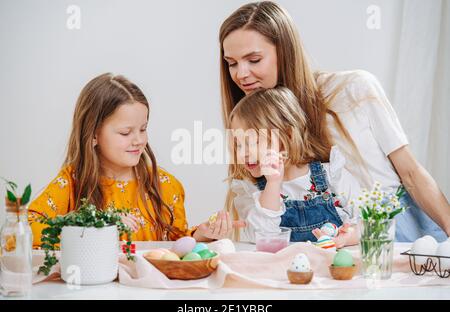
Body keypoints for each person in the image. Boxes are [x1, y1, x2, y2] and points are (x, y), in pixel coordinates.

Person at [219, 1, 449, 242]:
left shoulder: (353, 90)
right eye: (232, 63)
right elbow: (260, 223)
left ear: (285, 52)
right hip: (336, 254)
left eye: (254, 59)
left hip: (399, 233)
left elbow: (411, 173)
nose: (241, 74)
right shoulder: (251, 129)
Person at [28, 73, 233, 248]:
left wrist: (201, 235)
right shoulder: (72, 181)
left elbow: (174, 246)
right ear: (93, 134)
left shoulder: (165, 185)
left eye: (143, 129)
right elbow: (25, 229)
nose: (139, 140)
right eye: (126, 133)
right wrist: (97, 228)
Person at [229, 86, 359, 247]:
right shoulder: (253, 191)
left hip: (332, 267)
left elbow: (368, 223)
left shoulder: (332, 175)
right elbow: (261, 236)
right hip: (284, 269)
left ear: (288, 137)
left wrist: (345, 238)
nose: (242, 153)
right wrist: (273, 184)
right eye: (238, 144)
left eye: (252, 142)